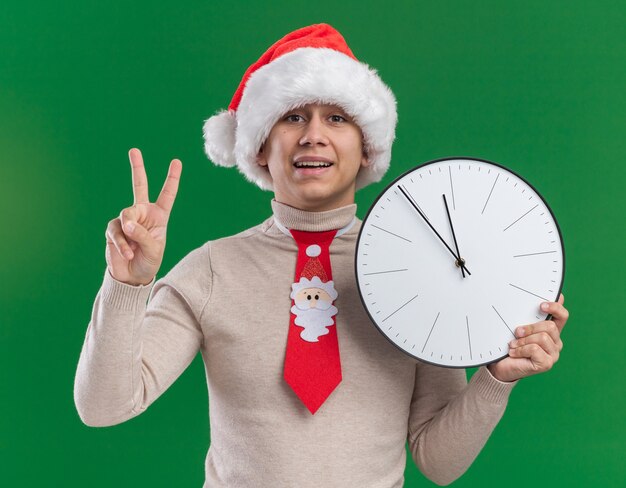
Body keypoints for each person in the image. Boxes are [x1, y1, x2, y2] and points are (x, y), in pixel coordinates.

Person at [74, 24, 569, 487]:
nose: (313, 134)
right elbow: (103, 406)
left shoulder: (422, 267)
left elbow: (437, 462)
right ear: (261, 148)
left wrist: (496, 379)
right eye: (292, 116)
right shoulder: (210, 270)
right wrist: (127, 283)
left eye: (337, 117)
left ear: (368, 148)